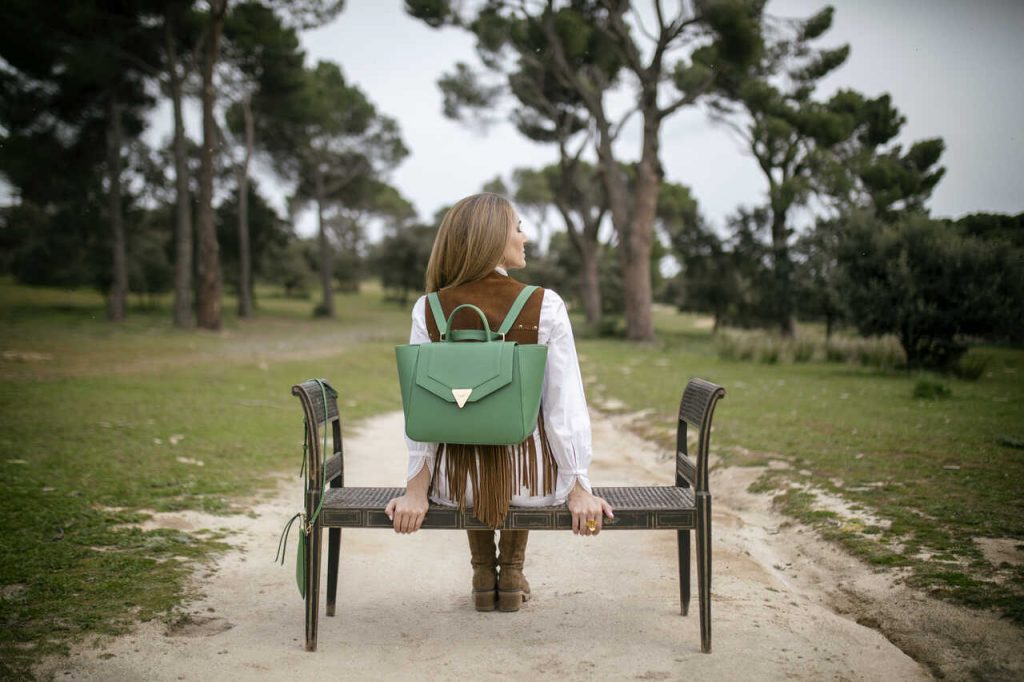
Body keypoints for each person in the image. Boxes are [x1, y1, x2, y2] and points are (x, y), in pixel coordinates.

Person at [385, 192, 613, 612]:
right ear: (492, 238)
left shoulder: (429, 308)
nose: (525, 238)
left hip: (455, 486)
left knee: (465, 421)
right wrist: (579, 485)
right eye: (519, 227)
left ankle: (481, 571)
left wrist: (417, 489)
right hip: (531, 484)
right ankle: (510, 571)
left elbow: (422, 409)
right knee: (527, 425)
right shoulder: (546, 304)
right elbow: (563, 405)